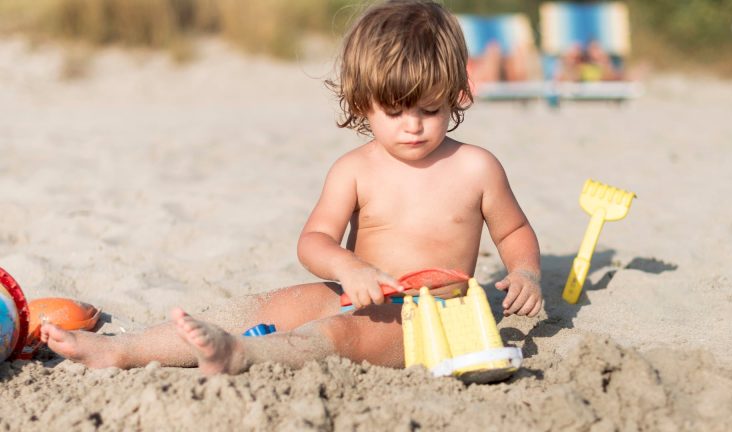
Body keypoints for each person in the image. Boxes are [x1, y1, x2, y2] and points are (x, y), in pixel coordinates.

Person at [40, 0, 542, 376]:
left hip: (431, 318)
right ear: (363, 103)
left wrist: (525, 272)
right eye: (394, 111)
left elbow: (513, 229)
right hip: (355, 290)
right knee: (261, 307)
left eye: (429, 110)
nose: (412, 126)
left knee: (337, 334)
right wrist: (348, 267)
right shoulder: (354, 169)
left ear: (456, 95)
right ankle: (123, 349)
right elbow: (314, 241)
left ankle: (241, 354)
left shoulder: (476, 167)